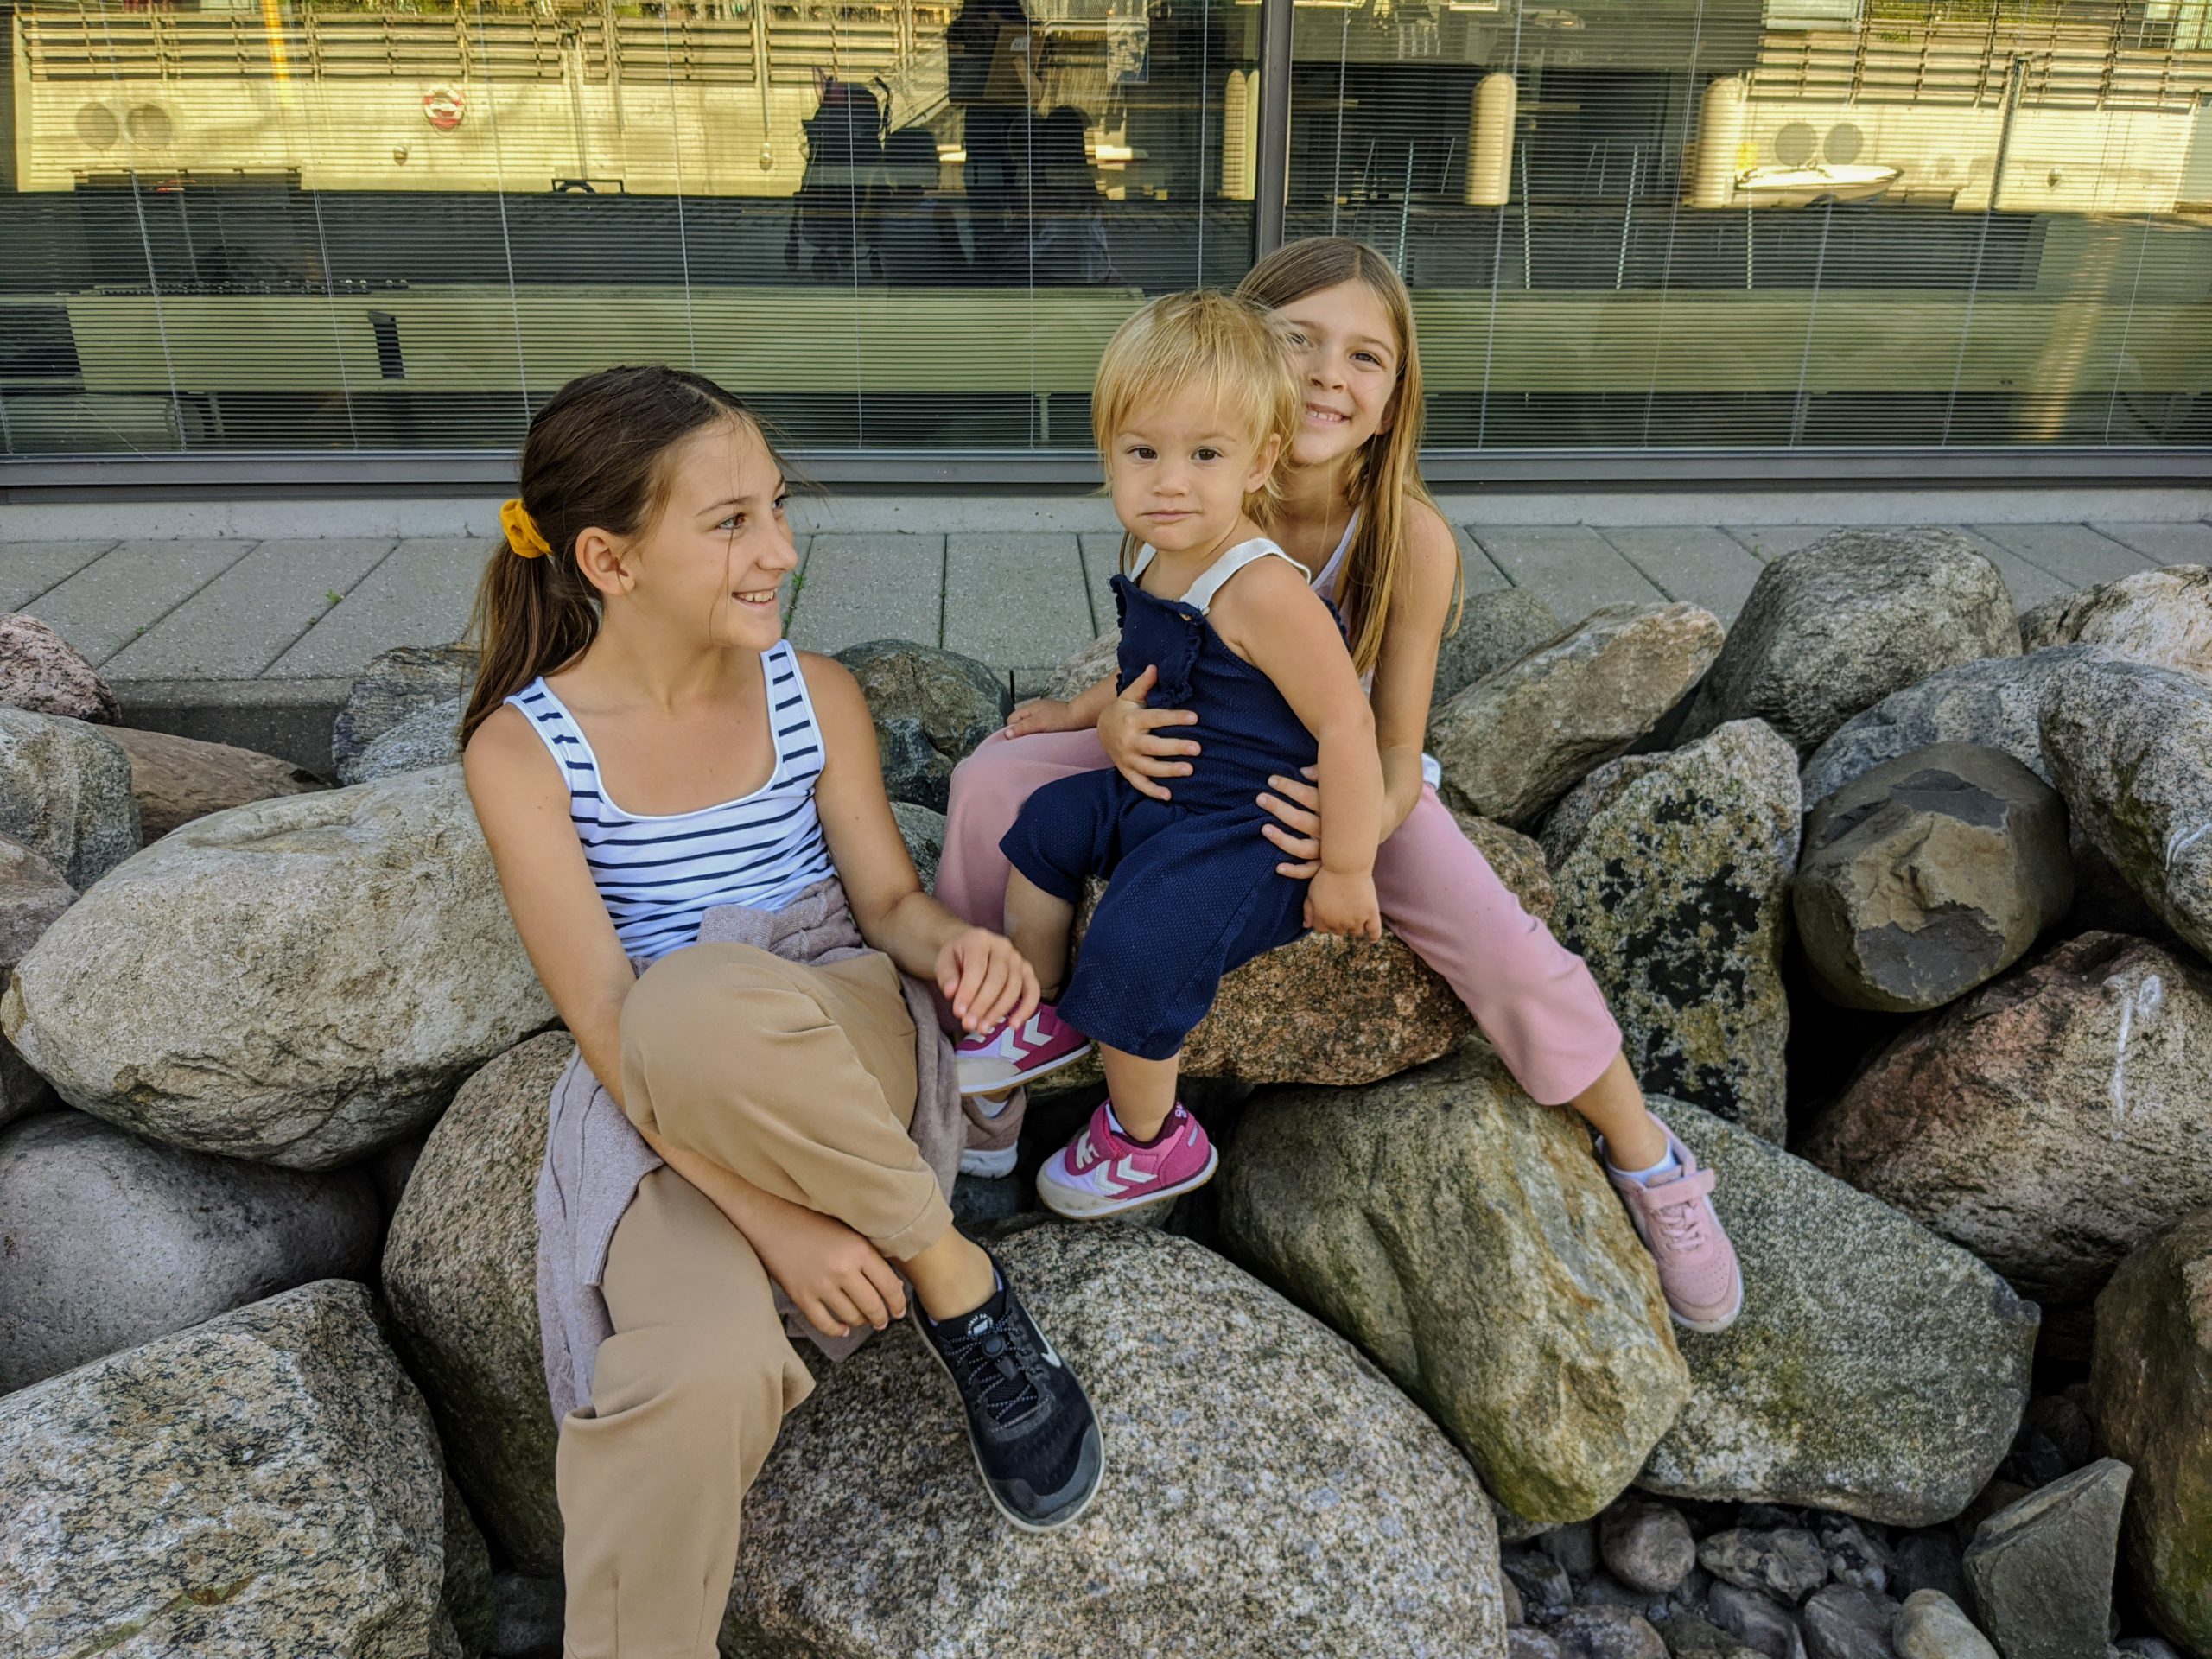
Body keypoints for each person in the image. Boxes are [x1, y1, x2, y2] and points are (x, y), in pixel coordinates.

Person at [938, 238, 1744, 1332]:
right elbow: (1154, 659)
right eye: (1298, 341)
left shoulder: (1406, 537)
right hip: (1194, 755)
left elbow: (1392, 739)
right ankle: (986, 1078)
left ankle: (1649, 1159)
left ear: (1394, 396)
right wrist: (1106, 718)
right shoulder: (1192, 475)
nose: (1327, 374)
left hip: (1345, 785)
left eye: (1365, 357)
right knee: (994, 780)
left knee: (1505, 947)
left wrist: (1346, 841)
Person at [460, 365, 1104, 1657]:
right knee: (694, 1371)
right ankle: (948, 1274)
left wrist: (960, 947)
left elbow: (888, 904)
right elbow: (607, 1019)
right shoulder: (523, 750)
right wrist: (775, 1227)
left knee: (702, 999)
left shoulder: (812, 692)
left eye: (776, 509)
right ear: (609, 560)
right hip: (663, 1094)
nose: (781, 551)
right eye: (732, 523)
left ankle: (951, 1278)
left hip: (831, 1031)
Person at [957, 289, 1383, 1218]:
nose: (1169, 483)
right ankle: (1044, 1008)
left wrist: (1347, 868)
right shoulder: (1159, 554)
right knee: (1046, 823)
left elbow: (1348, 724)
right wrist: (1077, 711)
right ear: (1108, 452)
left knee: (1139, 938)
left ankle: (1149, 1139)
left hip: (1243, 831)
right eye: (1143, 453)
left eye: (1205, 456)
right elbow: (1144, 669)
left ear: (1260, 460)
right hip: (1165, 792)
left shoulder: (1263, 589)